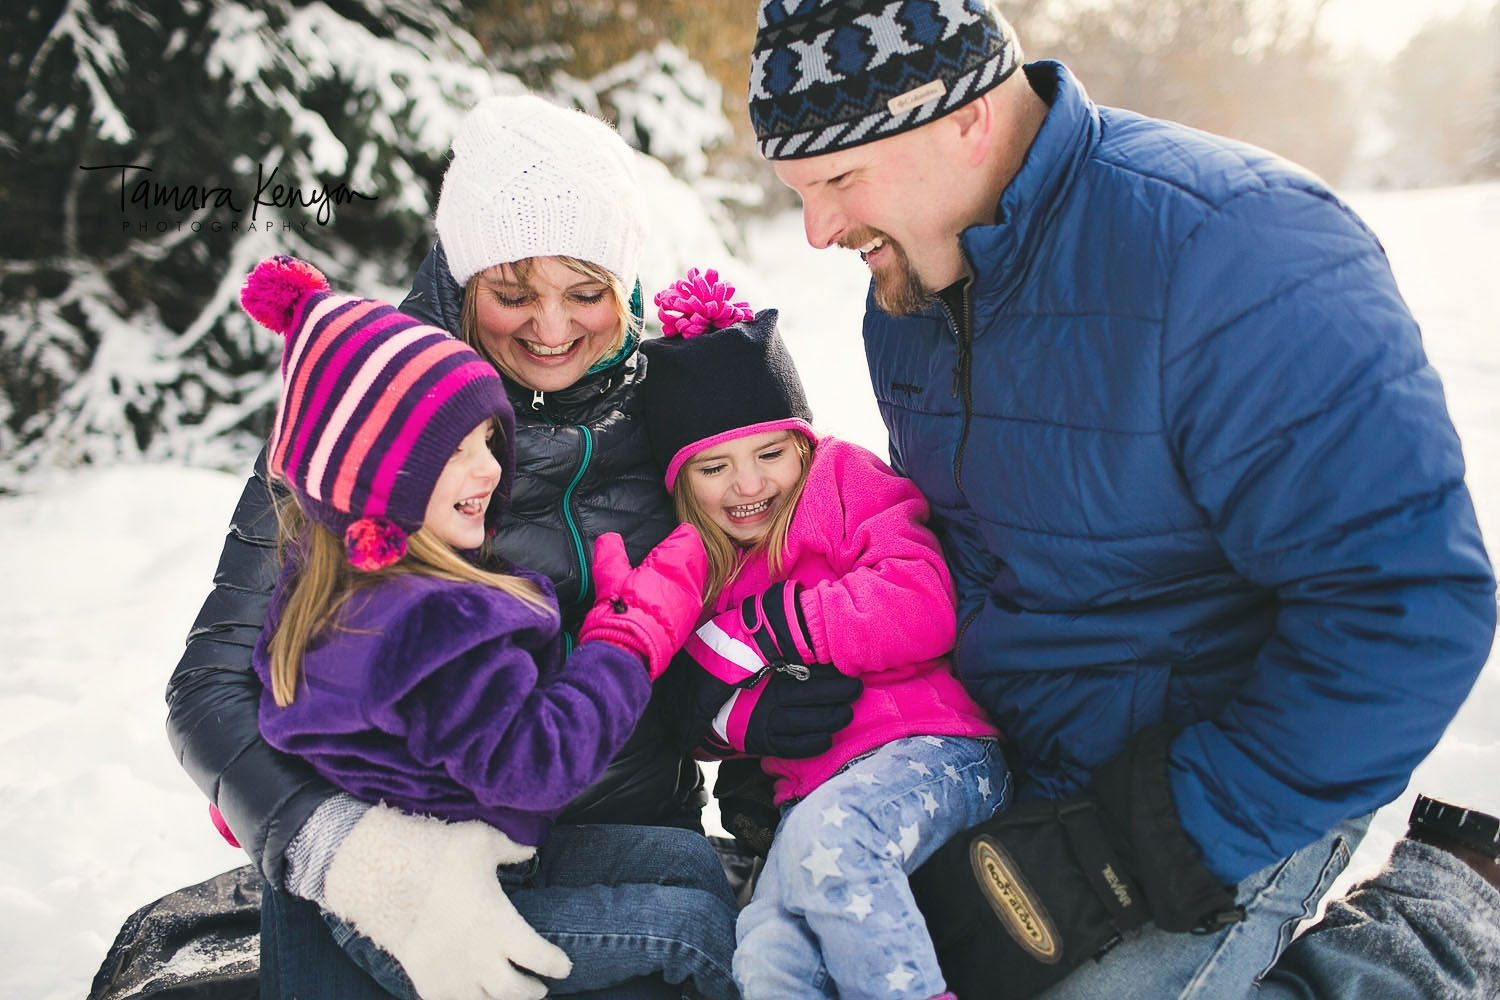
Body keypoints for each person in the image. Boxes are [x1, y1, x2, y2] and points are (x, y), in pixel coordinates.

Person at [741, 1, 1499, 997]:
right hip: (1009, 747)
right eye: (798, 191)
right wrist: (840, 705)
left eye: (839, 180)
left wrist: (1148, 840)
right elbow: (959, 553)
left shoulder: (1241, 253)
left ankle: (1442, 925)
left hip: (1224, 764)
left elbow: (1408, 605)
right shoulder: (913, 290)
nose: (818, 230)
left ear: (963, 118)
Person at [167, 94, 860, 999]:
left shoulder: (677, 409)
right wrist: (356, 858)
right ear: (463, 277)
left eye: (586, 294)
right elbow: (210, 689)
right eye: (512, 294)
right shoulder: (364, 414)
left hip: (621, 826)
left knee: (704, 927)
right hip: (404, 846)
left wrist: (736, 718)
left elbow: (729, 604)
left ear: (624, 283)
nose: (552, 329)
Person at [237, 253, 736, 1000]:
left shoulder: (330, 576)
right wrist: (623, 641)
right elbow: (541, 763)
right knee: (693, 929)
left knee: (690, 863)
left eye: (487, 442)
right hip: (438, 906)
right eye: (454, 451)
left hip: (464, 849)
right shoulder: (433, 619)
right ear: (376, 471)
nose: (490, 470)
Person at [640, 269, 1006, 1000]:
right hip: (809, 798)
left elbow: (924, 601)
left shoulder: (842, 484)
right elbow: (700, 708)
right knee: (765, 957)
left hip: (934, 752)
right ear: (681, 482)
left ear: (802, 445)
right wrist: (740, 717)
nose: (749, 486)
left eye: (770, 454)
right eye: (714, 467)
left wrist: (777, 627)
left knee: (833, 840)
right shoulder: (699, 567)